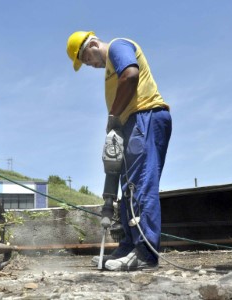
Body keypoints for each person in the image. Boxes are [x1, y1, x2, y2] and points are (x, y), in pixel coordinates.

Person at [66, 31, 172, 271]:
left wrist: (113, 116)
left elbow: (131, 74)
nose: (90, 65)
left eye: (86, 58)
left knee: (140, 185)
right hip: (131, 124)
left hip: (145, 116)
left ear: (92, 44)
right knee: (128, 189)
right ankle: (129, 246)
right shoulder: (108, 70)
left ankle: (145, 253)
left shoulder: (117, 46)